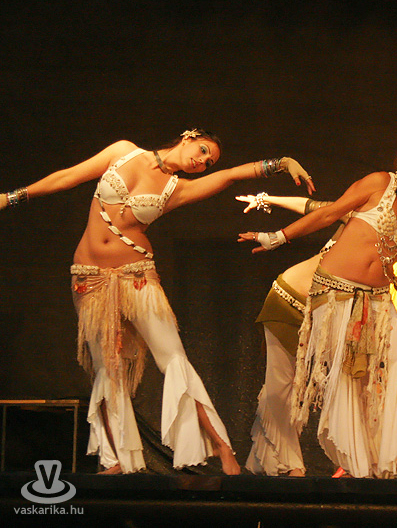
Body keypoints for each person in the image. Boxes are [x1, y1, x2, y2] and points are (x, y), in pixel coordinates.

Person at [0, 129, 314, 475]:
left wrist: (281, 164)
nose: (202, 162)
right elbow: (68, 177)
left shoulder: (178, 189)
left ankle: (221, 447)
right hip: (89, 277)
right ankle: (116, 458)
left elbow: (229, 176)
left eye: (207, 162)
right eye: (203, 151)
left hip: (136, 275)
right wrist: (10, 197)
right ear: (188, 137)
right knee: (108, 367)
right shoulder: (123, 152)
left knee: (173, 358)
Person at [238, 134, 397, 479]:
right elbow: (322, 210)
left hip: (375, 302)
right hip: (314, 296)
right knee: (289, 386)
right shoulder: (378, 185)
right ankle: (293, 463)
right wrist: (276, 234)